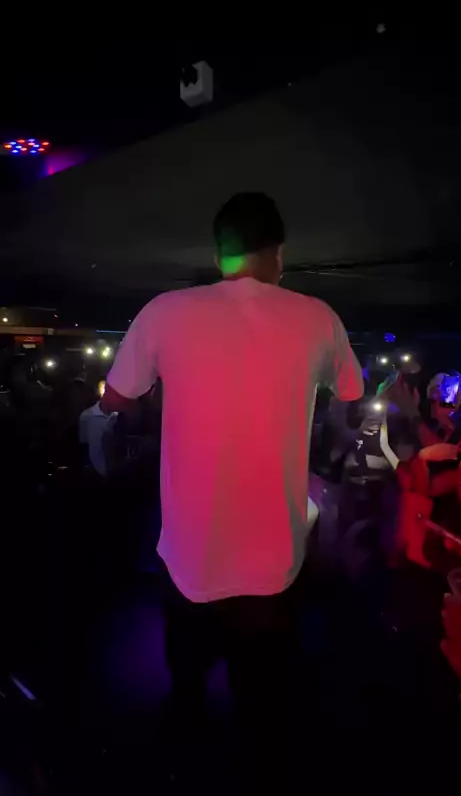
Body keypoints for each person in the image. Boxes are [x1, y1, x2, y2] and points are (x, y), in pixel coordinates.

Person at [101, 192, 363, 784]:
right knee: (263, 706)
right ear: (278, 253)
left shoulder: (165, 311)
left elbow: (115, 397)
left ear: (219, 253)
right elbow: (351, 393)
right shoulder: (317, 316)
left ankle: (187, 762)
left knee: (187, 692)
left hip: (189, 555)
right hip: (274, 561)